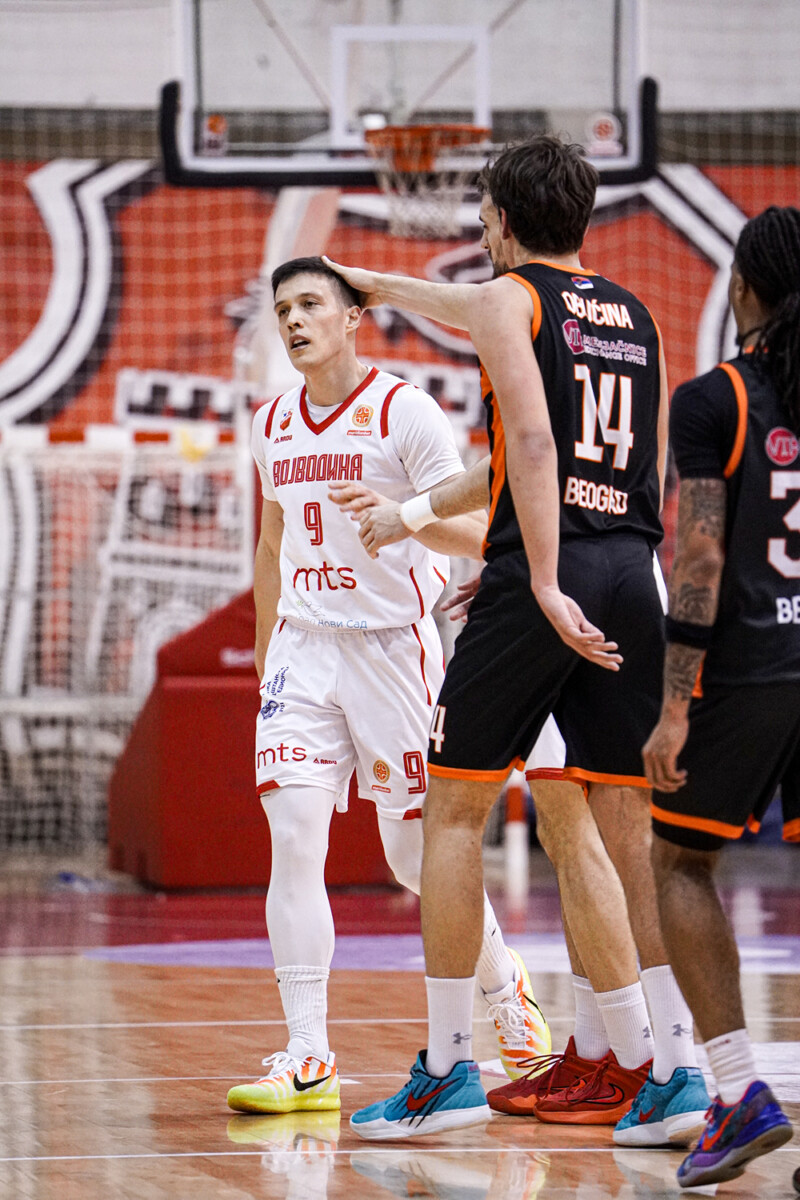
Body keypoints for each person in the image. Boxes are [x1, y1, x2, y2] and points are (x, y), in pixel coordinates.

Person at [323, 134, 702, 1141]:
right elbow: (649, 461)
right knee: (626, 830)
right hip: (634, 568)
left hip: (551, 571)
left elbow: (529, 442)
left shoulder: (506, 299)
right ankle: (675, 1070)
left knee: (453, 815)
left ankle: (447, 1067)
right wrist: (382, 285)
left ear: (496, 220)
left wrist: (530, 574)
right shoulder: (634, 313)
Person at [225, 256, 550, 1118]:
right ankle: (308, 1056)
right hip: (303, 651)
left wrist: (403, 516)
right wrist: (265, 647)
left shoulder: (405, 412)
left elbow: (486, 530)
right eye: (282, 309)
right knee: (294, 839)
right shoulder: (270, 423)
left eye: (310, 304)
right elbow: (272, 543)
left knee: (414, 858)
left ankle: (505, 987)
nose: (294, 321)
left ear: (352, 317)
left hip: (393, 652)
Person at [642, 206, 798, 1187]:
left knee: (679, 862)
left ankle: (738, 1091)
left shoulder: (716, 399)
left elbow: (697, 556)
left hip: (752, 669)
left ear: (741, 288)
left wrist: (671, 704)